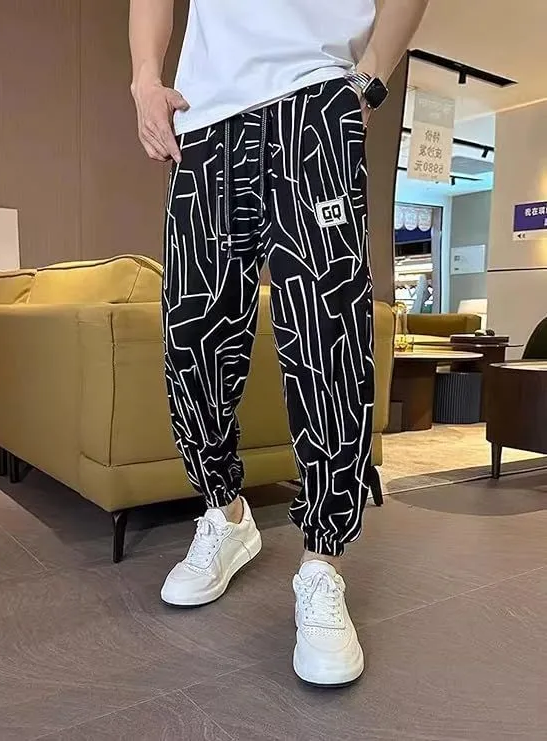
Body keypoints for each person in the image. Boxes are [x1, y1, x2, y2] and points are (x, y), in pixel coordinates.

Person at [129, 0, 429, 686]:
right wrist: (145, 76)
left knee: (329, 340)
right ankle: (225, 512)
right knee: (192, 338)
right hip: (204, 119)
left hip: (316, 99)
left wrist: (371, 74)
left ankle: (322, 562)